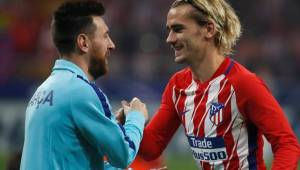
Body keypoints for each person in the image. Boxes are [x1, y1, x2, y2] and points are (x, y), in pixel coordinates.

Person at [138, 0, 300, 169]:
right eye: (169, 30)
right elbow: (151, 148)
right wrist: (131, 123)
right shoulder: (177, 86)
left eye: (178, 29)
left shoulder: (244, 84)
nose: (169, 39)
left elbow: (286, 143)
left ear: (209, 29)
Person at [20, 1, 148, 170]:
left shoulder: (43, 90)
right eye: (105, 36)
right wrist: (136, 117)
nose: (112, 44)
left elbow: (76, 161)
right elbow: (123, 155)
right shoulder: (80, 91)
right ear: (83, 43)